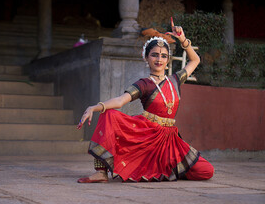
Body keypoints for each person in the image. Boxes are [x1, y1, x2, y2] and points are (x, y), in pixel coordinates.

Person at [76, 18, 214, 183]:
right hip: (147, 135)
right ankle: (101, 172)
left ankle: (170, 167)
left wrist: (183, 39)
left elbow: (195, 60)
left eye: (163, 56)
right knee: (109, 114)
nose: (159, 59)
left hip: (169, 139)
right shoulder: (144, 84)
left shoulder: (176, 80)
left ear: (168, 60)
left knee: (206, 171)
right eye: (154, 55)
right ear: (146, 58)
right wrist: (95, 107)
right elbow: (120, 101)